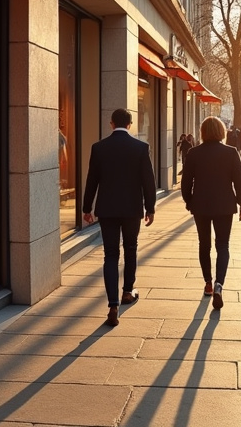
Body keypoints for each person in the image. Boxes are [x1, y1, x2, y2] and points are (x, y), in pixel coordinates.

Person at [82, 108, 157, 327]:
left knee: (110, 255)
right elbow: (148, 181)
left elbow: (92, 180)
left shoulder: (99, 148)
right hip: (132, 209)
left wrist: (87, 208)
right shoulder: (141, 148)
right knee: (131, 248)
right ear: (130, 124)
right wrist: (150, 208)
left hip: (107, 209)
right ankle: (127, 292)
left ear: (111, 123)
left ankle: (113, 304)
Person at [181, 116, 241, 310]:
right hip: (224, 206)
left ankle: (208, 283)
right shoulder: (231, 152)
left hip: (201, 206)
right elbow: (240, 181)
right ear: (221, 132)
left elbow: (186, 182)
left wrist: (189, 201)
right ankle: (220, 284)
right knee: (223, 245)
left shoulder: (194, 153)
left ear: (203, 132)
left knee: (204, 244)